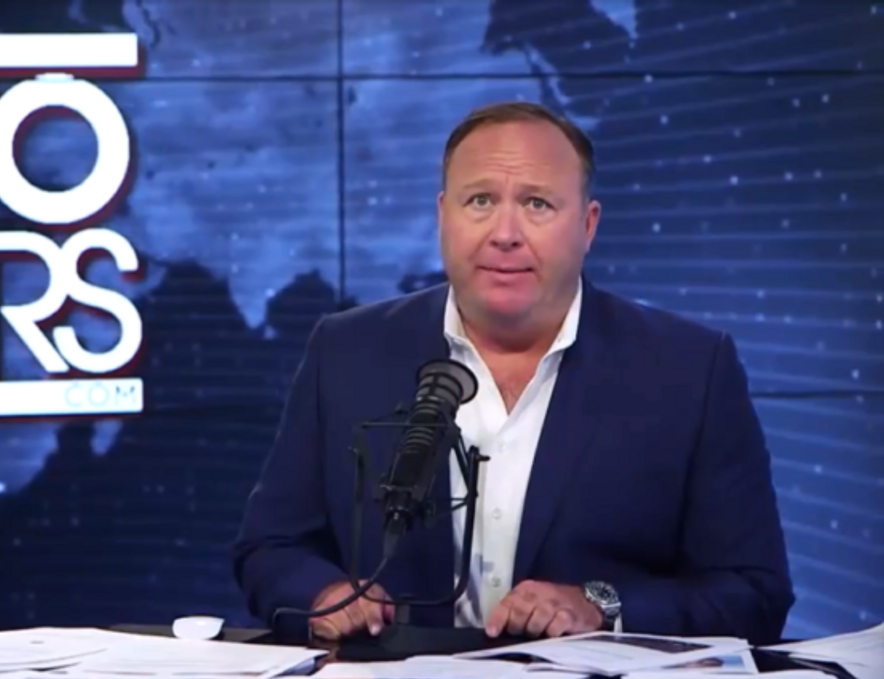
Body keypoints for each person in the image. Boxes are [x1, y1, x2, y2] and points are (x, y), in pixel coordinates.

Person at [231, 101, 794, 646]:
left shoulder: (689, 370)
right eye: (480, 200)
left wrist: (601, 606)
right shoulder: (346, 350)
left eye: (537, 204)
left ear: (588, 225)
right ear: (443, 216)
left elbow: (753, 593)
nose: (505, 233)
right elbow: (271, 548)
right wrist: (324, 595)